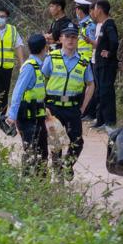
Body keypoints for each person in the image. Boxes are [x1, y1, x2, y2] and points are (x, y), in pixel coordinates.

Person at [41, 23, 94, 180]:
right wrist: (42, 104)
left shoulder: (84, 62)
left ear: (77, 40)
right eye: (67, 37)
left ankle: (68, 165)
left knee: (77, 141)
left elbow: (91, 85)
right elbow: (42, 79)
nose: (70, 40)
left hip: (72, 108)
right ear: (61, 39)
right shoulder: (52, 57)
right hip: (53, 107)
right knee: (56, 143)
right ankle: (58, 176)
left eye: (73, 37)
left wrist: (83, 107)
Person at [7, 34, 52, 176]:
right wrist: (12, 115)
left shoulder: (39, 65)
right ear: (44, 48)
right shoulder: (29, 67)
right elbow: (18, 92)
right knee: (32, 151)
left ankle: (41, 184)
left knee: (42, 151)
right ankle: (27, 184)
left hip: (38, 116)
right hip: (27, 117)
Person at [90, 0, 119, 129]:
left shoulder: (109, 25)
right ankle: (100, 120)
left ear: (100, 10)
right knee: (100, 91)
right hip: (99, 65)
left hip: (107, 66)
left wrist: (110, 53)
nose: (93, 12)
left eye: (94, 9)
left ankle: (109, 121)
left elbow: (114, 41)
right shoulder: (103, 25)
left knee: (106, 92)